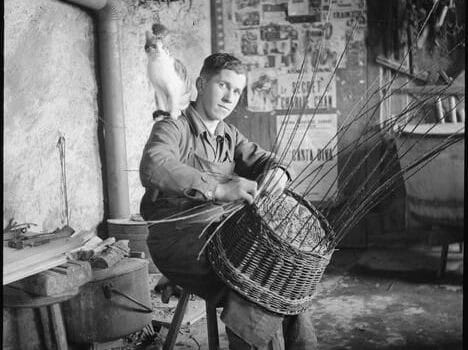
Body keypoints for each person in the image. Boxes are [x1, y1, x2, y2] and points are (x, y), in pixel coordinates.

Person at [139, 53, 318, 349]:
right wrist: (218, 189)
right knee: (255, 287)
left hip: (218, 233)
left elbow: (265, 159)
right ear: (201, 83)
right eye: (223, 86)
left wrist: (280, 172)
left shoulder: (228, 134)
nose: (230, 97)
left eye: (236, 91)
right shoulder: (173, 126)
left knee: (287, 281)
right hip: (177, 240)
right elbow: (154, 165)